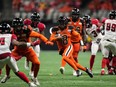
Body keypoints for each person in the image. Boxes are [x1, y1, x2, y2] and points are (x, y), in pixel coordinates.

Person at [0, 18, 53, 85]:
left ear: (22, 25)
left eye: (19, 26)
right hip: (17, 50)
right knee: (8, 61)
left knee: (37, 63)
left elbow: (39, 35)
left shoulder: (26, 30)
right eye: (16, 26)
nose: (18, 28)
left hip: (28, 50)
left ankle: (34, 77)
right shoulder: (12, 32)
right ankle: (7, 75)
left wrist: (46, 40)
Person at [0, 23, 36, 87]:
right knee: (17, 72)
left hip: (1, 56)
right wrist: (29, 44)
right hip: (8, 56)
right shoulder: (11, 35)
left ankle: (7, 76)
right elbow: (17, 44)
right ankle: (30, 83)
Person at [59, 8, 86, 76]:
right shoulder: (67, 20)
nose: (75, 16)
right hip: (69, 41)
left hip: (77, 41)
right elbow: (62, 27)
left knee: (75, 57)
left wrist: (84, 44)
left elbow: (84, 33)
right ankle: (70, 68)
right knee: (67, 56)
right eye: (74, 15)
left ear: (78, 15)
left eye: (76, 15)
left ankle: (75, 70)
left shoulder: (82, 21)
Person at [24, 12, 46, 77]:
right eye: (34, 19)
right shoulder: (27, 24)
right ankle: (27, 59)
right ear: (31, 19)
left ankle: (32, 71)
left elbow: (42, 35)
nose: (35, 21)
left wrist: (38, 41)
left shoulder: (41, 26)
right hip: (28, 42)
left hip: (35, 43)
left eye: (36, 19)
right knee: (29, 55)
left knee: (36, 58)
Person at [100, 10, 116, 75]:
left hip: (106, 41)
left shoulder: (106, 21)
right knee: (115, 55)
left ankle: (102, 70)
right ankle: (111, 69)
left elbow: (102, 28)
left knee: (105, 57)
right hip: (113, 42)